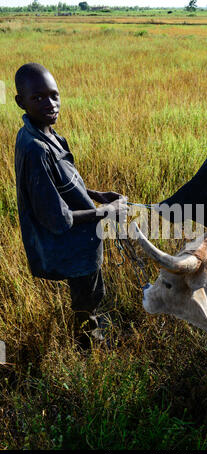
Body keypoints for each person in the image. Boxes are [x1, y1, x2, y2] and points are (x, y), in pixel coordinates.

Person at [14, 62, 128, 348]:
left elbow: (61, 183)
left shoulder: (48, 135)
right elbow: (58, 219)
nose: (50, 104)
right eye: (37, 98)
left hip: (83, 238)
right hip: (72, 246)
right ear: (20, 102)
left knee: (91, 291)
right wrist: (107, 212)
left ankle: (91, 331)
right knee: (87, 298)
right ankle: (89, 345)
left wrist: (97, 193)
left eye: (54, 95)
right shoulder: (35, 149)